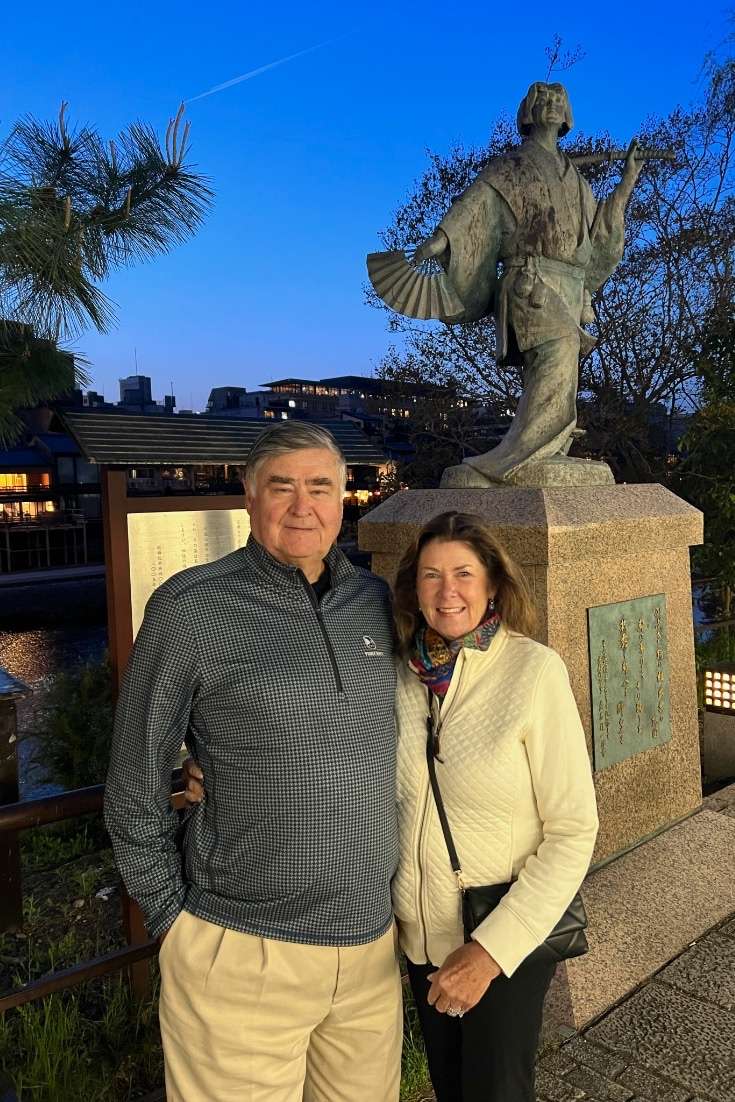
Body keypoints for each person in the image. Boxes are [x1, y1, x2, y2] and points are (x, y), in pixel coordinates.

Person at [185, 508, 599, 1101]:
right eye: (431, 575)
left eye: (462, 573)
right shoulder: (400, 673)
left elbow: (573, 830)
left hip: (499, 930)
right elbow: (326, 745)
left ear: (492, 584)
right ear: (413, 588)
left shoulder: (533, 672)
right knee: (451, 1087)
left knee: (497, 1092)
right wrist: (215, 769)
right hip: (417, 937)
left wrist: (489, 952)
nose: (447, 591)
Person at [104, 421, 403, 1102]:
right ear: (249, 496)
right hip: (239, 950)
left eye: (320, 486)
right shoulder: (191, 608)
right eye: (283, 487)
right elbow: (133, 777)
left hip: (368, 953)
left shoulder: (377, 604)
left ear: (344, 497)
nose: (303, 505)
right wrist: (169, 919)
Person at [408, 82, 643, 482]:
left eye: (558, 101)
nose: (551, 106)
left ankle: (549, 450)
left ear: (567, 115)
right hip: (529, 279)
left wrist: (625, 185)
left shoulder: (576, 180)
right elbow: (476, 203)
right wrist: (443, 237)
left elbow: (600, 238)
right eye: (543, 100)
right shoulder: (511, 167)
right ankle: (510, 464)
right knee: (560, 349)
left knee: (557, 370)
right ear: (529, 112)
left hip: (569, 285)